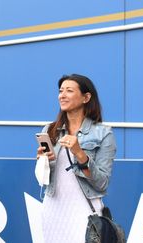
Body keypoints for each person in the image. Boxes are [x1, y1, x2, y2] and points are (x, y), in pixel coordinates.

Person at [36, 74, 116, 243]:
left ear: (86, 97)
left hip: (84, 212)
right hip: (52, 210)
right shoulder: (50, 129)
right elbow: (42, 180)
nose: (62, 95)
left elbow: (102, 183)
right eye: (60, 91)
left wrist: (80, 153)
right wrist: (43, 162)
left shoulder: (103, 133)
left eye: (69, 91)